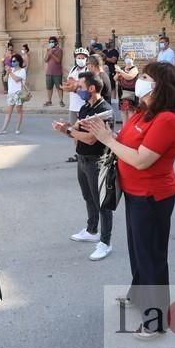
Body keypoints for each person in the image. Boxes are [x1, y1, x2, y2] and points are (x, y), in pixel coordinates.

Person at [83, 62, 175, 338]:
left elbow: (141, 160)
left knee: (151, 255)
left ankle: (156, 320)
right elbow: (126, 143)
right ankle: (139, 295)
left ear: (160, 86)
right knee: (138, 249)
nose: (138, 80)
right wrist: (100, 133)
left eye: (144, 77)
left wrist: (107, 139)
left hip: (152, 195)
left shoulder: (167, 120)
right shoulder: (144, 114)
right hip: (134, 193)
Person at [53, 72, 115, 260]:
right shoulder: (85, 108)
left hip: (96, 161)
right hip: (82, 159)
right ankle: (92, 229)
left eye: (80, 86)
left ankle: (105, 242)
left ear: (92, 88)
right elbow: (77, 133)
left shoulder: (103, 110)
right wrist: (67, 130)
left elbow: (89, 139)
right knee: (88, 197)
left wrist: (69, 130)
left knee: (102, 203)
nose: (77, 89)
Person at [61, 48, 90, 163]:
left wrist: (74, 87)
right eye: (79, 57)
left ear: (86, 59)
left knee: (84, 131)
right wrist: (68, 86)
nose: (81, 59)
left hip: (83, 105)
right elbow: (70, 83)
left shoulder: (87, 72)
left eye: (83, 58)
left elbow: (85, 89)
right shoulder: (73, 69)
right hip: (73, 105)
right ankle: (78, 153)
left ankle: (84, 153)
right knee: (74, 130)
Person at [0, 53, 26, 135]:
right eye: (12, 61)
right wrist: (7, 73)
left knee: (19, 111)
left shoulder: (22, 71)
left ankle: (17, 128)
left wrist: (10, 72)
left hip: (18, 93)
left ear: (19, 61)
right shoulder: (11, 70)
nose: (13, 62)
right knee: (8, 112)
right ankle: (3, 129)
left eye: (14, 61)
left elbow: (17, 79)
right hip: (10, 93)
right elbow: (5, 80)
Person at [116, 52, 139, 125]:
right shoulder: (122, 68)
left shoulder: (134, 69)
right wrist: (117, 73)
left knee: (130, 113)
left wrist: (120, 71)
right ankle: (124, 130)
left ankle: (130, 132)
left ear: (133, 59)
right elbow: (115, 78)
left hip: (131, 94)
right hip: (122, 93)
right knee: (123, 112)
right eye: (126, 58)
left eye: (129, 58)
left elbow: (129, 77)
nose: (127, 59)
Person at [44, 36, 64, 107]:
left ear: (56, 42)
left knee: (59, 87)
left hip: (57, 73)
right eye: (50, 42)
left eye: (52, 42)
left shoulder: (59, 50)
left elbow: (58, 61)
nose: (51, 43)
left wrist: (52, 54)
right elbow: (45, 60)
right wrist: (48, 52)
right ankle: (49, 101)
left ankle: (61, 101)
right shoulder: (48, 50)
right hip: (49, 72)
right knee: (49, 88)